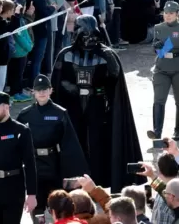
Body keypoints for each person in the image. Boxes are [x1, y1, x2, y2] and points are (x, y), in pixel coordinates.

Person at [51, 15, 142, 191]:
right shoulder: (66, 54)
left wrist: (103, 79)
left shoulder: (106, 54)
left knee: (98, 142)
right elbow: (57, 82)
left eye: (91, 35)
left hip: (97, 104)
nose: (88, 39)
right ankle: (75, 180)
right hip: (73, 105)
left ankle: (98, 179)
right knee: (73, 142)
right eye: (84, 35)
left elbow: (115, 82)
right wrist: (71, 88)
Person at [16, 75, 88, 217]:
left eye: (45, 89)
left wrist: (72, 171)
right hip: (33, 164)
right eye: (38, 90)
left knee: (58, 202)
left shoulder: (60, 113)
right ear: (33, 92)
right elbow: (17, 143)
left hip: (53, 163)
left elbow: (70, 142)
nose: (41, 93)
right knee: (36, 203)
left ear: (51, 90)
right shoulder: (25, 115)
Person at [0, 91, 38, 223]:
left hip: (13, 190)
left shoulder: (21, 131)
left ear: (6, 106)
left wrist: (32, 194)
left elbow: (30, 163)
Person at [149, 0, 179, 140]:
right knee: (159, 99)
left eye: (171, 13)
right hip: (162, 67)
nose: (168, 16)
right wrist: (157, 46)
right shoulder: (158, 27)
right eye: (166, 13)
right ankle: (157, 132)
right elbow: (155, 48)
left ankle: (178, 130)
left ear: (177, 14)